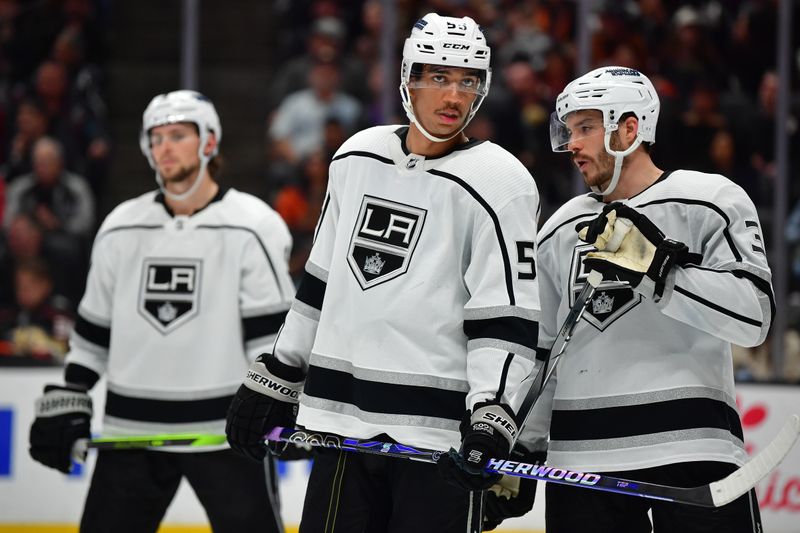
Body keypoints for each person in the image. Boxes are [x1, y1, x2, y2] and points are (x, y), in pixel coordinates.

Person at [226, 13, 542, 533]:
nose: (453, 97)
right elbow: (321, 280)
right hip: (341, 425)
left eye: (468, 81)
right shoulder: (357, 157)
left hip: (438, 439)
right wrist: (280, 372)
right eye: (439, 77)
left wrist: (493, 413)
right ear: (408, 80)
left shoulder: (501, 182)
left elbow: (504, 315)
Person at [27, 90, 295, 533]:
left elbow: (271, 338)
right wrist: (72, 394)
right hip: (129, 430)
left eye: (177, 135)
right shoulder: (120, 226)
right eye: (155, 137)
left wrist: (284, 401)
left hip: (224, 433)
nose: (164, 147)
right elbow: (94, 334)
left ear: (209, 142)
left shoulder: (253, 225)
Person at [520, 66, 773, 532]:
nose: (572, 144)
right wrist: (525, 444)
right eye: (569, 130)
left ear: (629, 128)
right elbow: (542, 350)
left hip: (694, 449)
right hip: (581, 462)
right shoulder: (559, 228)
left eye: (586, 128)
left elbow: (753, 316)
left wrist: (661, 270)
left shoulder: (708, 200)